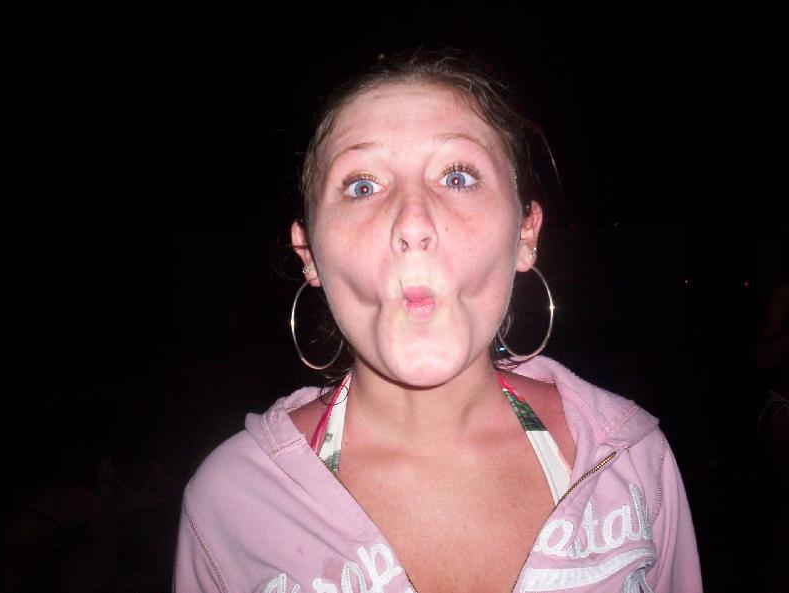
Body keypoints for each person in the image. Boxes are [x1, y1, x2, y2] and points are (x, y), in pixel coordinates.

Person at [173, 47, 702, 593]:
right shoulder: (230, 506)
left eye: (457, 177)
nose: (413, 222)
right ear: (308, 253)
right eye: (362, 186)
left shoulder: (631, 461)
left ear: (525, 232)